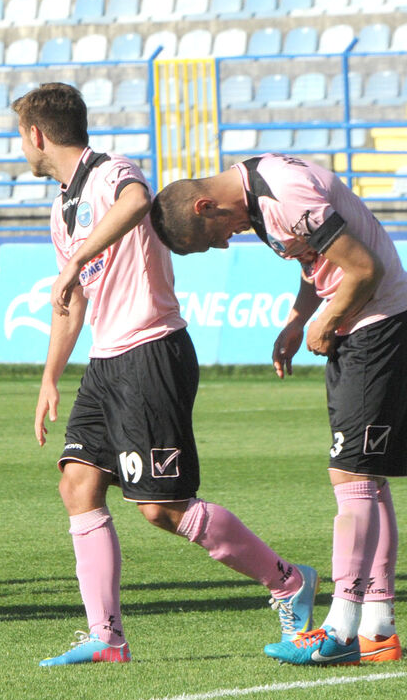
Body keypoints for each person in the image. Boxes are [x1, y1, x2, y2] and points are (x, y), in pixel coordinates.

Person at [20, 84, 315, 666]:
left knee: (162, 508)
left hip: (151, 351)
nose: (22, 149)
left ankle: (289, 581)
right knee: (77, 484)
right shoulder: (62, 207)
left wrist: (78, 258)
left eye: (22, 139)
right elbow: (71, 301)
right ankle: (107, 638)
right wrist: (50, 376)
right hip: (106, 362)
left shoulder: (111, 172)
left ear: (37, 135)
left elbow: (137, 202)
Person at [151, 153, 407, 665]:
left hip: (376, 323)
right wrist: (298, 320)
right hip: (361, 324)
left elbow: (365, 267)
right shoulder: (257, 192)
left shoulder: (284, 191)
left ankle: (339, 629)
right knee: (366, 475)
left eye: (211, 238)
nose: (224, 244)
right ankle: (378, 630)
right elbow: (320, 261)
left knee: (350, 473)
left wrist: (325, 319)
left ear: (205, 206)